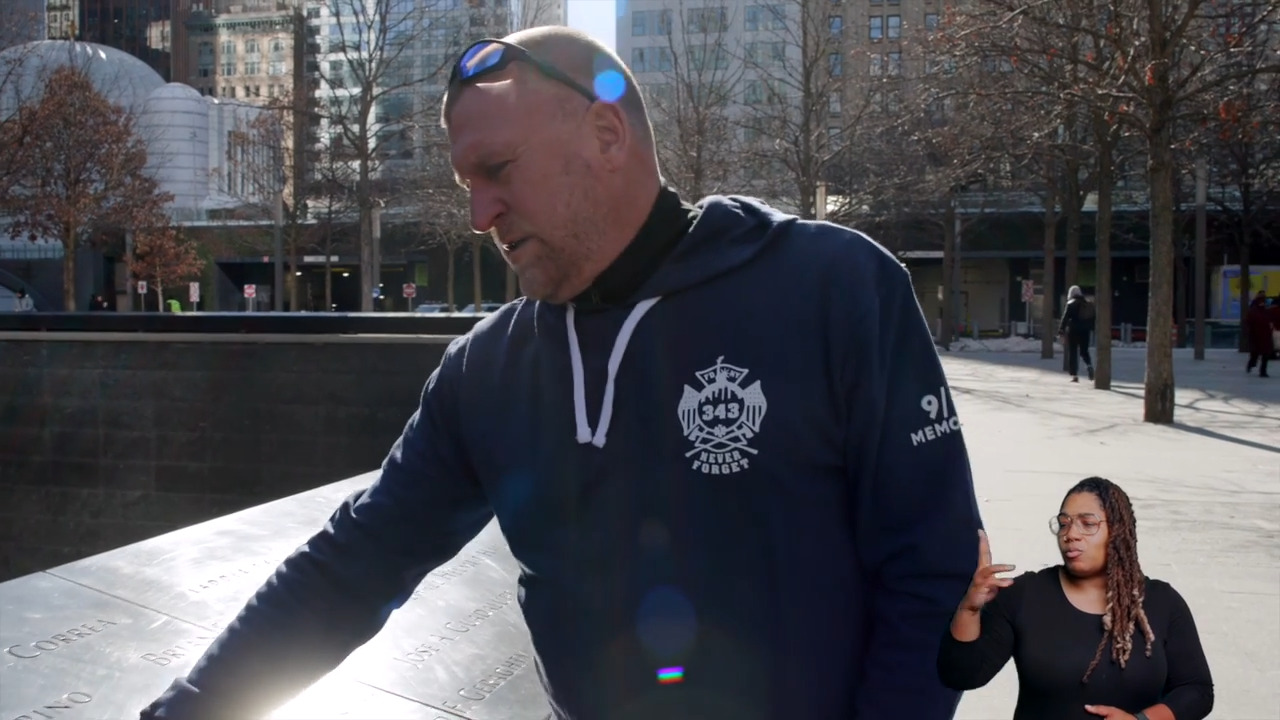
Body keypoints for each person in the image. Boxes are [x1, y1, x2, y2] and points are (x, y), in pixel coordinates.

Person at [140, 26, 983, 720]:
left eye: (497, 172)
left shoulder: (833, 287)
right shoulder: (486, 371)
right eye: (466, 184)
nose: (478, 215)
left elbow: (930, 573)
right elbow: (352, 566)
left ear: (607, 135)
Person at [937, 477, 1214, 720]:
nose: (1070, 534)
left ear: (1118, 530)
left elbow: (1197, 691)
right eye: (1064, 523)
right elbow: (962, 675)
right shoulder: (1024, 594)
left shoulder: (1162, 602)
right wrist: (970, 609)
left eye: (1087, 523)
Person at [1058, 285, 1094, 382]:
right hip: (1085, 331)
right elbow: (1092, 318)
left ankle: (1075, 375)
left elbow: (1065, 318)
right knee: (1084, 351)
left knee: (1073, 352)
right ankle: (1089, 365)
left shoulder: (1070, 303)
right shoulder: (1088, 303)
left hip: (1073, 330)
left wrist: (1061, 330)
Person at [1244, 290, 1272, 377]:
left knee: (1265, 355)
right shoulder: (1254, 310)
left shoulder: (1266, 310)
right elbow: (1249, 322)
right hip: (1256, 336)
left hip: (1265, 336)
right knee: (1255, 355)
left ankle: (1262, 371)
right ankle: (1251, 364)